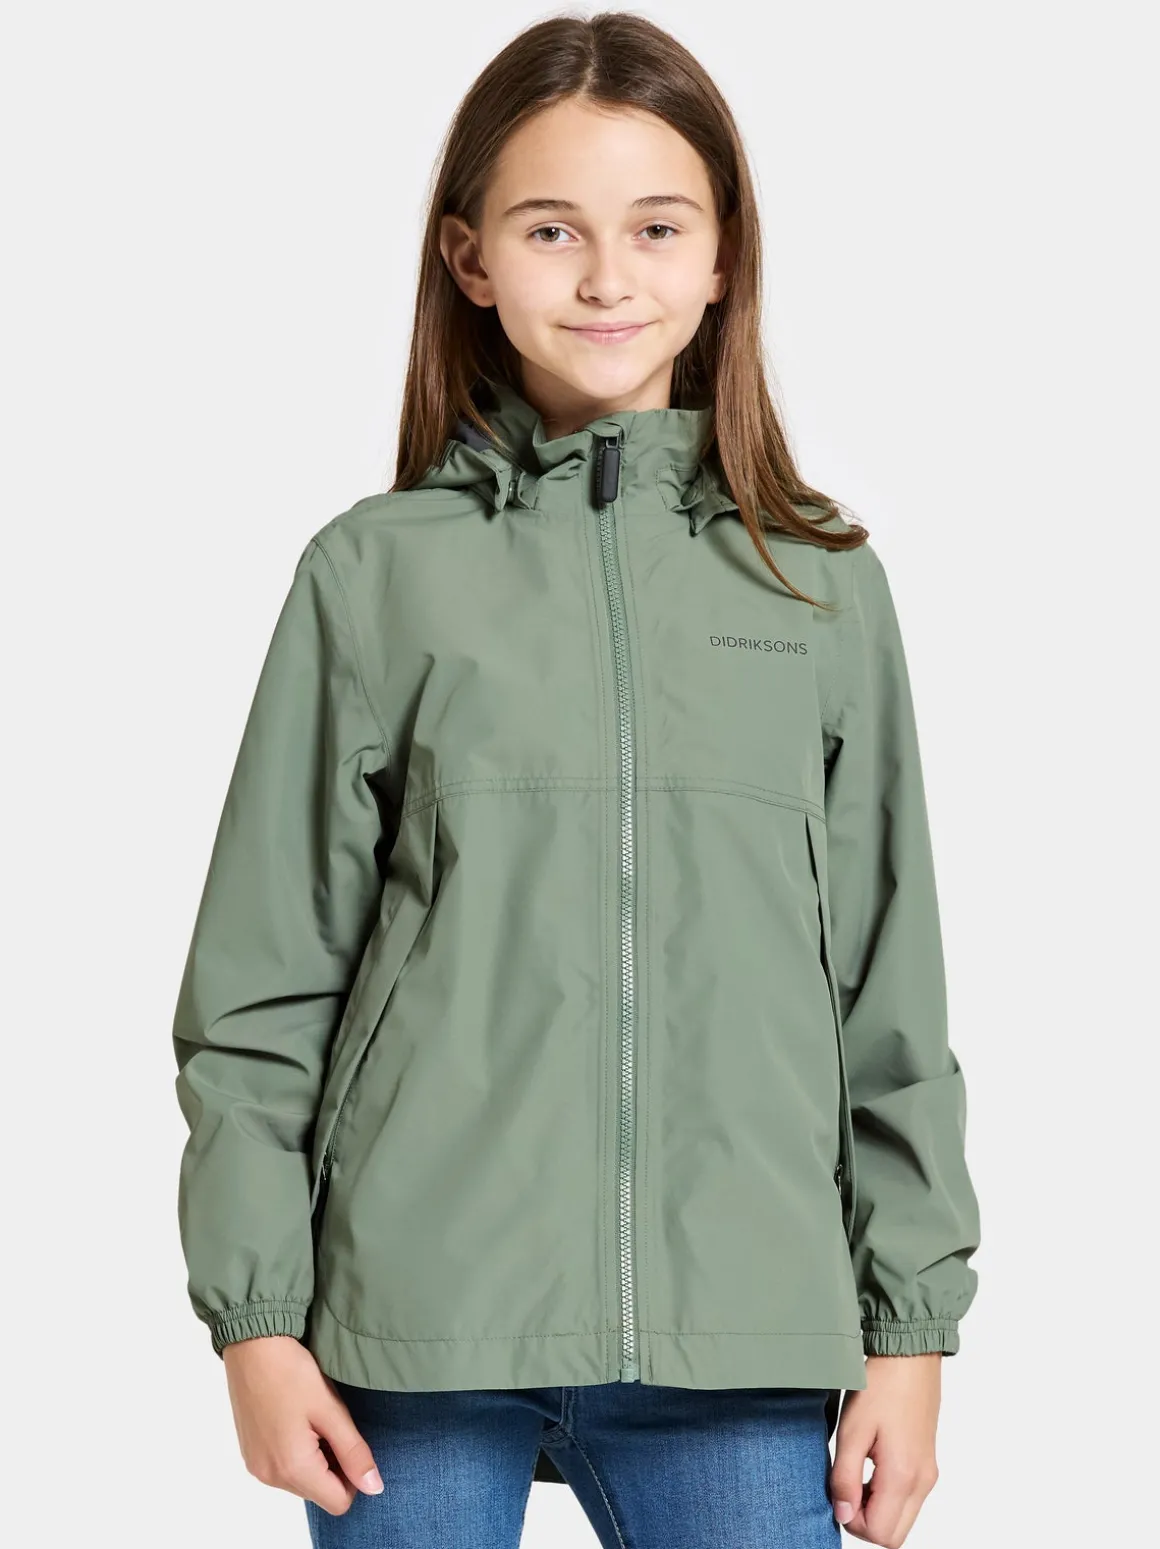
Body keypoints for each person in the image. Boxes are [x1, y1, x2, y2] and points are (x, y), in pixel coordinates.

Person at [171, 12, 982, 1548]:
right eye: (553, 229)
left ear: (724, 256)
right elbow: (263, 989)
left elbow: (889, 990)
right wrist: (257, 1325)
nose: (608, 277)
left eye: (657, 228)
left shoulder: (817, 584)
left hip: (742, 1335)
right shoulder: (372, 575)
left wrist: (911, 1332)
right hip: (412, 1330)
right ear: (470, 258)